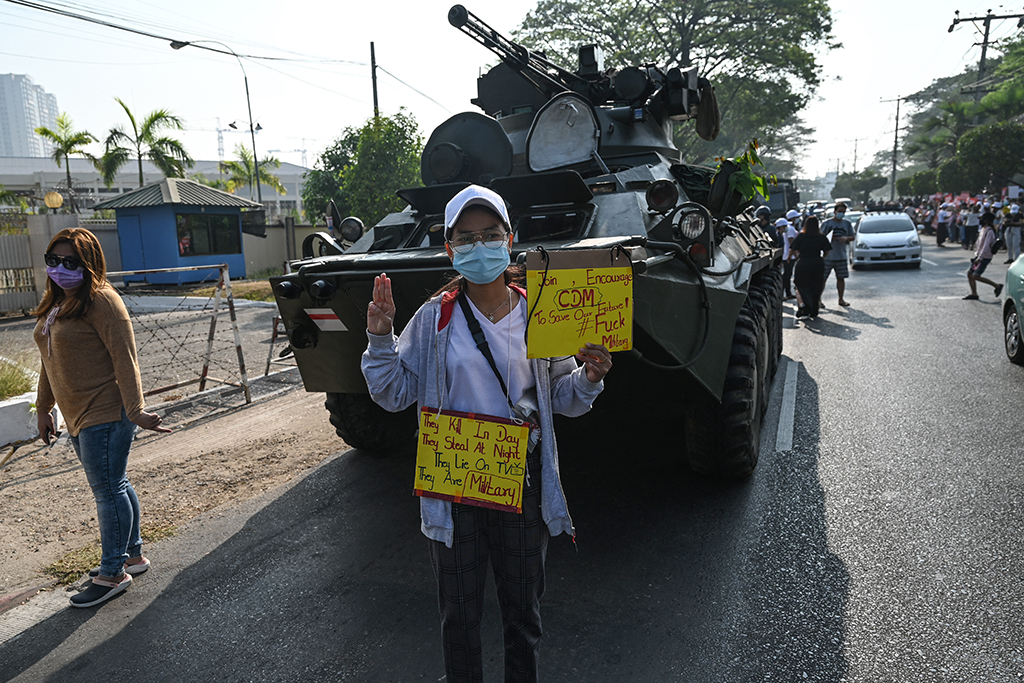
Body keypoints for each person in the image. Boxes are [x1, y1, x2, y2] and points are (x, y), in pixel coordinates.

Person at [361, 185, 612, 683]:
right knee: (459, 616)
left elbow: (559, 398)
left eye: (490, 235)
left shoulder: (541, 312)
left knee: (523, 614)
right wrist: (380, 336)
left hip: (519, 481)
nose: (481, 246)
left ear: (509, 240)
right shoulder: (435, 318)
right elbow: (393, 393)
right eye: (468, 238)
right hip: (454, 482)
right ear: (451, 249)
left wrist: (589, 377)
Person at [33, 228, 170, 608]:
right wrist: (44, 409)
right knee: (116, 484)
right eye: (54, 260)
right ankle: (133, 555)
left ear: (88, 263)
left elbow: (125, 360)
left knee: (107, 490)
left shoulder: (102, 302)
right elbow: (47, 360)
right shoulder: (57, 303)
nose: (60, 268)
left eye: (70, 262)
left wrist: (137, 410)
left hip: (105, 412)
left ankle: (112, 573)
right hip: (77, 414)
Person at [791, 215, 831, 320]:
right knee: (816, 286)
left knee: (801, 285)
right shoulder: (821, 237)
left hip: (803, 262)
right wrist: (821, 258)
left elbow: (794, 248)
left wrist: (797, 257)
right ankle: (814, 309)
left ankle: (806, 305)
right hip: (817, 263)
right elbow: (827, 251)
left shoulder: (801, 236)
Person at [820, 202, 854, 307]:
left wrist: (846, 238)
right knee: (822, 279)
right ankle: (818, 300)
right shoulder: (827, 224)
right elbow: (820, 237)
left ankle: (841, 299)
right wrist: (829, 238)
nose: (841, 214)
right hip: (827, 256)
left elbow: (852, 236)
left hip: (841, 255)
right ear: (834, 212)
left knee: (841, 278)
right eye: (839, 212)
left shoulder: (847, 224)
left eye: (843, 212)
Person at [964, 212, 1004, 300]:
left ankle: (997, 286)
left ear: (986, 220)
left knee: (976, 276)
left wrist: (980, 258)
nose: (980, 221)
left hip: (984, 257)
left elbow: (986, 246)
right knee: (970, 274)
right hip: (979, 256)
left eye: (982, 219)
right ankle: (974, 294)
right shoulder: (983, 229)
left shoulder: (989, 231)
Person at [774, 216, 798, 300]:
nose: (786, 228)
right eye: (784, 227)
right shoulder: (778, 236)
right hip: (785, 257)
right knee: (785, 276)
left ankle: (787, 293)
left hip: (785, 256)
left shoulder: (780, 235)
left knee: (787, 275)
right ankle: (782, 294)